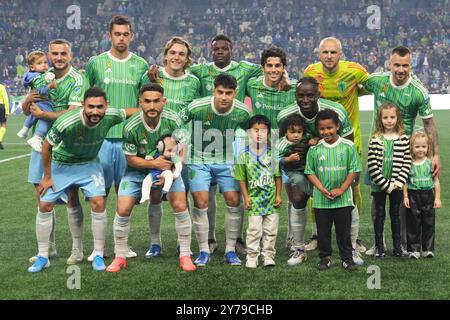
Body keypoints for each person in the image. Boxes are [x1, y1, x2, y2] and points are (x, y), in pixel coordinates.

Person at [28, 87, 133, 272]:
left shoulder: (111, 115)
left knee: (98, 202)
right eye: (90, 106)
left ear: (106, 106)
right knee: (44, 205)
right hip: (62, 164)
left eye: (100, 107)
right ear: (83, 105)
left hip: (89, 164)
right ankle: (43, 256)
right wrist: (47, 177)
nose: (95, 111)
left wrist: (153, 110)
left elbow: (131, 111)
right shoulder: (66, 121)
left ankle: (98, 255)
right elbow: (46, 147)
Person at [106, 83, 196, 273]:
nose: (152, 106)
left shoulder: (174, 120)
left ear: (164, 102)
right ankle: (120, 256)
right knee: (122, 208)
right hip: (137, 170)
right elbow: (130, 159)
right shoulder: (131, 126)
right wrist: (154, 165)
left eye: (156, 101)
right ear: (140, 102)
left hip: (169, 168)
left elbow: (183, 150)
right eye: (147, 101)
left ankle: (185, 255)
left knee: (180, 204)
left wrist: (170, 172)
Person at [277, 77, 363, 265]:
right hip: (301, 166)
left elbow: (347, 144)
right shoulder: (285, 115)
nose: (305, 100)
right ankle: (299, 248)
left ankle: (353, 248)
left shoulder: (336, 112)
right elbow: (281, 146)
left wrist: (352, 176)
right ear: (295, 96)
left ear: (318, 94)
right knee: (298, 198)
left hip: (334, 161)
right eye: (301, 96)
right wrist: (292, 157)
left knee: (351, 195)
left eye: (310, 95)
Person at [364, 45, 441, 256]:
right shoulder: (377, 81)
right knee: (376, 200)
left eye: (405, 65)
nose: (400, 69)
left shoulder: (418, 91)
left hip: (402, 154)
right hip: (378, 150)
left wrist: (435, 154)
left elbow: (429, 125)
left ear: (411, 64)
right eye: (396, 64)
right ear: (389, 63)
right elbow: (355, 83)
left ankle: (404, 245)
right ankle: (378, 244)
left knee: (402, 200)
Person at [85, 15, 149, 260]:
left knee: (126, 197)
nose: (121, 38)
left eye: (126, 34)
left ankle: (123, 247)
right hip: (99, 140)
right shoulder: (95, 63)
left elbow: (146, 101)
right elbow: (86, 100)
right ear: (109, 35)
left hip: (128, 141)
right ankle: (98, 249)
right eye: (117, 34)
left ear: (131, 36)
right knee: (98, 196)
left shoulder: (141, 65)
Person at [23, 39, 88, 266]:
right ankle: (47, 249)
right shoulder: (43, 74)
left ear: (70, 55)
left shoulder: (78, 79)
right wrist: (28, 100)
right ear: (49, 55)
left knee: (71, 195)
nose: (58, 57)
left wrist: (43, 115)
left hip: (66, 143)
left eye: (63, 53)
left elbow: (72, 114)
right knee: (42, 193)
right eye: (55, 54)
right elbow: (26, 108)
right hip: (41, 145)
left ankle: (77, 249)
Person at [304, 37, 369, 254]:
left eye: (333, 52)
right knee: (318, 187)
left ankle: (353, 238)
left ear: (341, 54)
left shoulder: (354, 70)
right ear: (319, 54)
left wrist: (356, 90)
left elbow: (372, 86)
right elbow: (304, 94)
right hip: (322, 140)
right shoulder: (311, 71)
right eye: (325, 52)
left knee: (353, 187)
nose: (329, 56)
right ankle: (316, 235)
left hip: (351, 138)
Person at [181, 74, 250, 266]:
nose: (224, 97)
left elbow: (252, 130)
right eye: (220, 92)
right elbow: (178, 123)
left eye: (229, 93)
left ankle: (230, 250)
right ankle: (204, 250)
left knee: (233, 200)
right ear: (214, 90)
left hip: (227, 159)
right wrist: (179, 140)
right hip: (198, 158)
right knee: (201, 201)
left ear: (235, 93)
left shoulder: (242, 111)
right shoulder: (197, 107)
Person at [140, 37, 200, 257]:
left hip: (183, 147)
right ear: (165, 55)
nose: (176, 57)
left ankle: (181, 242)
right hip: (156, 146)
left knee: (182, 196)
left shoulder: (194, 82)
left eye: (181, 54)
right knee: (155, 193)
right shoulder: (154, 77)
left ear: (187, 59)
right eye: (172, 53)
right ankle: (155, 243)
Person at [304, 109, 361, 272]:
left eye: (330, 127)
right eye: (322, 129)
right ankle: (325, 257)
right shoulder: (315, 149)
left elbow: (354, 169)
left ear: (337, 127)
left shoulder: (348, 146)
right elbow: (309, 171)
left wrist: (342, 189)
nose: (326, 132)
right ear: (318, 130)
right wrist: (321, 188)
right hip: (322, 200)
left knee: (344, 231)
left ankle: (347, 258)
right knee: (323, 232)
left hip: (343, 199)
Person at [235, 115, 282, 268]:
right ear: (249, 132)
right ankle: (252, 256)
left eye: (263, 130)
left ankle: (268, 256)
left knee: (271, 230)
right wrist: (246, 197)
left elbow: (278, 176)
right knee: (254, 230)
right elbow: (241, 178)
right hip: (254, 200)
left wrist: (279, 195)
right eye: (255, 130)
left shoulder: (272, 153)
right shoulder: (244, 155)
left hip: (270, 200)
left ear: (268, 133)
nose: (259, 133)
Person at [367, 102, 411, 258]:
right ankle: (380, 248)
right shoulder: (375, 139)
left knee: (396, 216)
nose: (389, 120)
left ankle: (397, 248)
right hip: (380, 186)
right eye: (385, 117)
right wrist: (386, 185)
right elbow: (372, 165)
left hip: (397, 186)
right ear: (380, 119)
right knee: (379, 216)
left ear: (397, 117)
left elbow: (407, 162)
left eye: (392, 117)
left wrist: (398, 182)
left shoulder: (403, 138)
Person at [277, 114, 312, 265]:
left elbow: (312, 138)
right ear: (286, 132)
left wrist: (314, 141)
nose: (296, 135)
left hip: (307, 169)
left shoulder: (305, 138)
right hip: (293, 172)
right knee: (297, 193)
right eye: (293, 132)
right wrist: (287, 159)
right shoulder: (281, 144)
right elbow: (274, 159)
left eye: (299, 132)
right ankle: (297, 244)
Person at [403, 132, 441, 259]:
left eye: (423, 147)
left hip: (428, 196)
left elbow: (436, 181)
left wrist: (437, 198)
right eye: (417, 147)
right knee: (413, 223)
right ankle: (413, 250)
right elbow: (406, 182)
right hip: (413, 196)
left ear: (427, 147)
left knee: (429, 223)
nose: (421, 150)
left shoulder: (430, 163)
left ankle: (428, 249)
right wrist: (406, 197)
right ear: (412, 148)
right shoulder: (408, 164)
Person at [17, 51, 57, 152]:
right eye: (40, 63)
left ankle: (25, 129)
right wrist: (49, 86)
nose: (44, 65)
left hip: (38, 103)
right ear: (32, 67)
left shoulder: (35, 76)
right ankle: (37, 137)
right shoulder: (37, 78)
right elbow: (41, 91)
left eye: (45, 62)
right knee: (46, 117)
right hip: (45, 103)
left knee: (34, 113)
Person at [140, 134, 183, 203]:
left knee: (169, 176)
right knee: (146, 181)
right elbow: (148, 157)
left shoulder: (174, 157)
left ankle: (165, 192)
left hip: (165, 171)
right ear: (160, 147)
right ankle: (145, 196)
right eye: (169, 150)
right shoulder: (155, 153)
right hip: (154, 173)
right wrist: (149, 158)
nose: (172, 153)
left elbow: (179, 166)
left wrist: (175, 175)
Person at [0, 83, 9, 150]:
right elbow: (5, 99)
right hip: (1, 106)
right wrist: (7, 111)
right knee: (3, 124)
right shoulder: (1, 87)